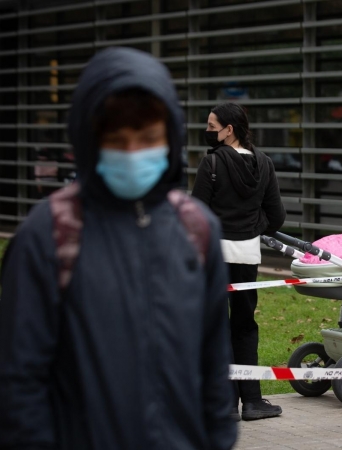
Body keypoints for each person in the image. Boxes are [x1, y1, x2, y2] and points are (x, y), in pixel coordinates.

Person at [0, 47, 236, 449]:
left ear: (169, 138)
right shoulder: (51, 232)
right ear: (90, 140)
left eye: (146, 139)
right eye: (116, 140)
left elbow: (212, 360)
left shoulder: (195, 228)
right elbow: (19, 378)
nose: (132, 153)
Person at [192, 103, 286, 421]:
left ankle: (226, 405)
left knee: (218, 328)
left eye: (211, 125)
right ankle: (255, 402)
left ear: (228, 129)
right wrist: (250, 229)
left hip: (215, 258)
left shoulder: (212, 163)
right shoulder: (264, 163)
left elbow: (196, 215)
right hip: (248, 256)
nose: (207, 131)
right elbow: (277, 217)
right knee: (245, 327)